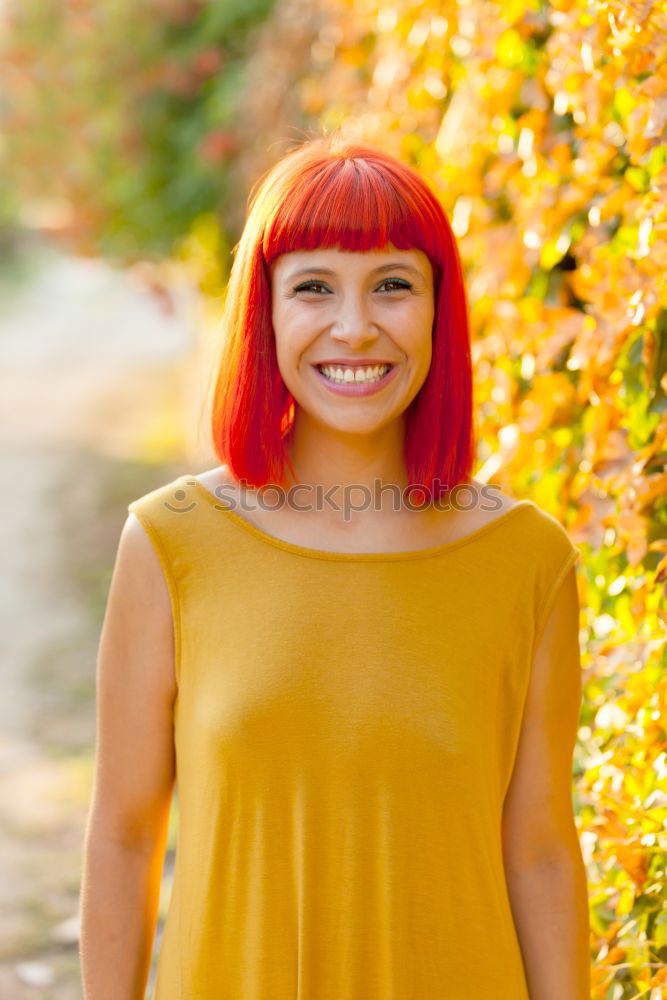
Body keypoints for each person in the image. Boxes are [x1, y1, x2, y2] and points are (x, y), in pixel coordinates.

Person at [79, 133, 591, 999]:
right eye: (313, 287)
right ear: (264, 312)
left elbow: (538, 852)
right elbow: (125, 835)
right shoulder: (170, 543)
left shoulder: (528, 563)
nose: (355, 327)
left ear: (437, 310)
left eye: (393, 285)